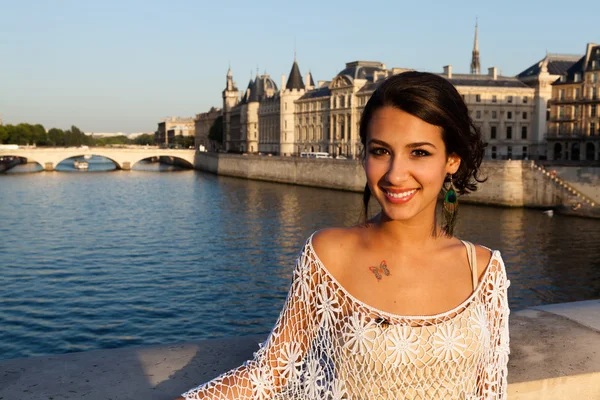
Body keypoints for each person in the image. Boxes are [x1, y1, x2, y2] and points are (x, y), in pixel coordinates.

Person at [176, 71, 510, 399]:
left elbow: (490, 391)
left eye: (419, 152)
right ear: (364, 153)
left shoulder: (483, 270)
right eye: (380, 151)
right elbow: (268, 375)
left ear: (452, 159)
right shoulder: (329, 254)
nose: (395, 174)